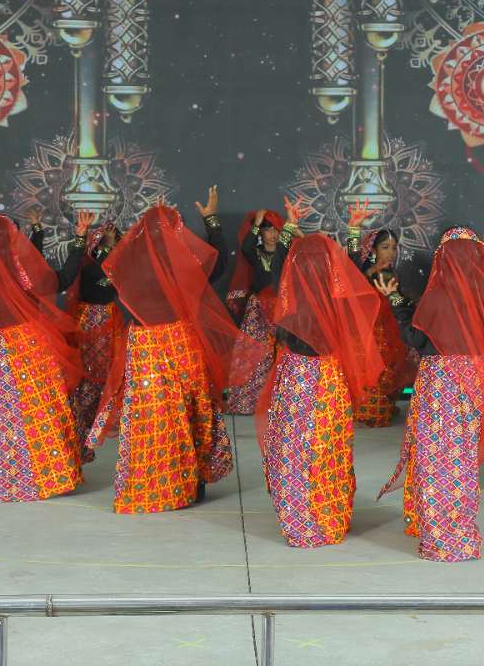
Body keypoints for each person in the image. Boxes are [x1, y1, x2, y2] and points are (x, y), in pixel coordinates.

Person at [86, 188, 256, 514]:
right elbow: (218, 263)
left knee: (151, 415)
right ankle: (192, 482)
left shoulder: (124, 264)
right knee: (191, 408)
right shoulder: (181, 264)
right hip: (180, 342)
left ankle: (153, 486)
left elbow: (100, 270)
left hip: (144, 347)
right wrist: (211, 220)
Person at [373, 226, 484, 562]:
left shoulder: (438, 297)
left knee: (435, 458)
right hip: (471, 382)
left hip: (439, 385)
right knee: (461, 460)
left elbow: (417, 339)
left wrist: (395, 300)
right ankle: (462, 533)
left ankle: (439, 537)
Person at [0, 211, 94, 504]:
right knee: (34, 407)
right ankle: (41, 473)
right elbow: (61, 280)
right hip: (23, 344)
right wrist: (79, 238)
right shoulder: (23, 271)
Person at [258, 234, 383, 548]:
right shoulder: (336, 306)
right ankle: (328, 517)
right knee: (327, 446)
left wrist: (287, 234)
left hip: (294, 379)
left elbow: (276, 276)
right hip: (328, 380)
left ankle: (297, 515)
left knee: (292, 447)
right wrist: (353, 240)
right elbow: (354, 286)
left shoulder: (290, 307)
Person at [346, 201, 419, 427]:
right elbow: (351, 261)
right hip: (367, 335)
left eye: (394, 247)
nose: (391, 252)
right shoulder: (363, 273)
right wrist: (354, 229)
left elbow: (398, 303)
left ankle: (383, 402)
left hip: (390, 332)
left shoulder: (392, 273)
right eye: (385, 247)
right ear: (374, 250)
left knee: (389, 372)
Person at [225, 201, 302, 414]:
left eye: (276, 230)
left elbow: (302, 251)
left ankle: (282, 400)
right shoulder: (255, 253)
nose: (272, 235)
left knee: (283, 351)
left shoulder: (285, 254)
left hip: (281, 309)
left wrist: (296, 231)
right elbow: (245, 247)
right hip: (258, 311)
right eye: (268, 230)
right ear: (261, 233)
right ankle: (251, 401)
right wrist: (257, 223)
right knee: (256, 353)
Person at [66, 222, 124, 463]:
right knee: (88, 377)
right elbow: (98, 273)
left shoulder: (118, 264)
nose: (114, 242)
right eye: (108, 240)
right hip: (90, 323)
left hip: (109, 322)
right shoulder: (88, 267)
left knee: (107, 374)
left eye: (116, 239)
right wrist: (106, 247)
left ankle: (95, 421)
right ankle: (81, 431)